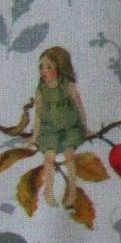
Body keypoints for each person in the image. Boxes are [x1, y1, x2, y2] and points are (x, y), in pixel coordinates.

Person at [30, 46, 89, 208]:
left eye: (49, 67)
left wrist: (85, 126)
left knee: (70, 156)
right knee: (49, 158)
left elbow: (79, 106)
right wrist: (35, 135)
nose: (44, 71)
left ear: (60, 68)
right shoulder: (41, 90)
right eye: (41, 67)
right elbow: (38, 114)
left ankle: (72, 190)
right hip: (50, 130)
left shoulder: (67, 85)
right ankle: (48, 190)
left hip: (69, 128)